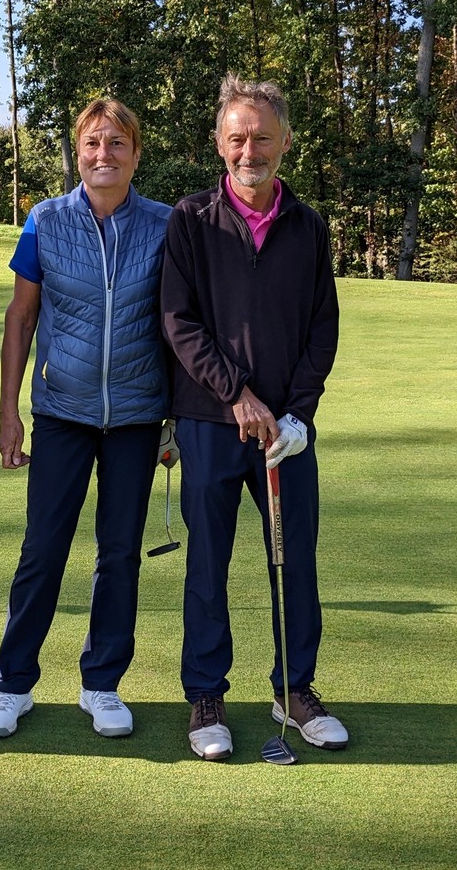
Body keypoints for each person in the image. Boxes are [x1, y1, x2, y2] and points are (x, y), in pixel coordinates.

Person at [160, 73, 348, 761]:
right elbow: (178, 323)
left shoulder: (308, 225)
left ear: (285, 141)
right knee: (208, 564)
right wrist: (237, 395)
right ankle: (206, 696)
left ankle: (294, 689)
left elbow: (322, 329)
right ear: (219, 143)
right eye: (237, 138)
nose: (249, 151)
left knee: (293, 563)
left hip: (286, 437)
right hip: (211, 422)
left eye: (262, 138)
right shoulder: (190, 219)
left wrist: (296, 414)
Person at [0, 98, 174, 740]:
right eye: (92, 142)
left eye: (116, 143)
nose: (103, 154)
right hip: (62, 410)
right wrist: (8, 412)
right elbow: (21, 317)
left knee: (119, 553)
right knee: (43, 549)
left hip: (138, 417)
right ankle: (13, 683)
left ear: (135, 153)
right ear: (78, 152)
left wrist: (174, 419)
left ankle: (102, 684)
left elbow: (180, 326)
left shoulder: (167, 224)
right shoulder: (45, 219)